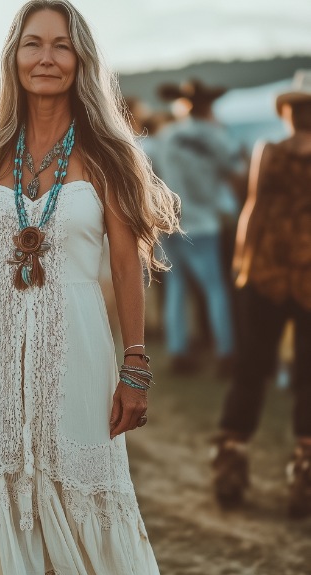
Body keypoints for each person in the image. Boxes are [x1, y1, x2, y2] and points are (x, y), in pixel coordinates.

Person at [0, 3, 184, 575]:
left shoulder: (108, 154)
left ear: (80, 61)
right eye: (33, 44)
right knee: (12, 519)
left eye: (61, 46)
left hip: (81, 361)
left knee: (82, 519)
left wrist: (136, 364)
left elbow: (126, 266)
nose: (46, 57)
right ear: (13, 58)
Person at [211, 70, 311, 518]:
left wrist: (242, 264)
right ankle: (306, 466)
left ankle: (232, 454)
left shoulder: (268, 150)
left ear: (289, 114)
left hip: (266, 272)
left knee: (252, 367)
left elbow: (253, 209)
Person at [156, 80, 246, 375]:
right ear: (207, 105)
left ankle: (179, 351)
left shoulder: (166, 136)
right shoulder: (216, 136)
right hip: (204, 223)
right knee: (216, 289)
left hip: (170, 223)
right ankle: (227, 352)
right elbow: (239, 173)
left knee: (177, 288)